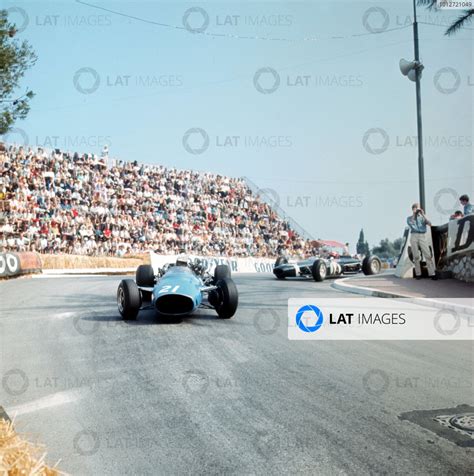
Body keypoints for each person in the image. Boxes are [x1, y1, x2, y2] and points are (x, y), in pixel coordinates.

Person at [406, 203, 437, 280]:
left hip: (422, 236)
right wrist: (414, 214)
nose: (417, 210)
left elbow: (430, 224)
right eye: (415, 208)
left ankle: (432, 273)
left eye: (418, 208)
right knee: (416, 256)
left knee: (428, 255)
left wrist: (423, 215)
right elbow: (411, 223)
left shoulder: (422, 218)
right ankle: (418, 274)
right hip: (414, 236)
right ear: (412, 209)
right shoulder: (409, 218)